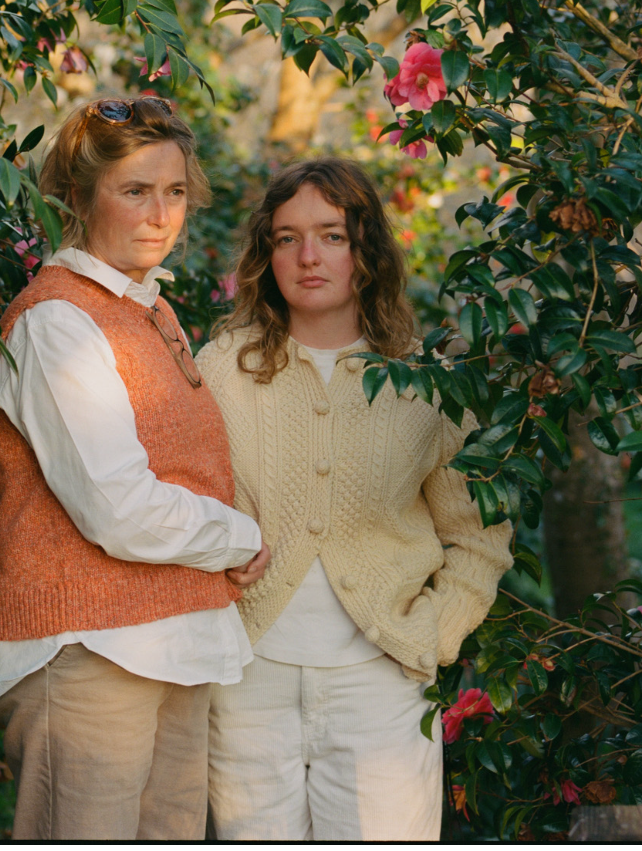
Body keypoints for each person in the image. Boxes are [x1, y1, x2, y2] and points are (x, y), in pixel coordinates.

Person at [197, 157, 514, 841]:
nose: (308, 257)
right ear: (267, 253)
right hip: (246, 680)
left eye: (332, 236)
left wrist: (435, 634)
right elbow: (179, 503)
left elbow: (480, 532)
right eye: (287, 238)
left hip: (382, 683)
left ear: (365, 249)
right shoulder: (221, 369)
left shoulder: (425, 381)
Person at [0, 95, 270, 841]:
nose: (160, 215)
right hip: (90, 655)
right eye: (135, 190)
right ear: (80, 198)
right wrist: (238, 538)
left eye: (174, 191)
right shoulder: (57, 319)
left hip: (177, 645)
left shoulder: (148, 311)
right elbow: (117, 506)